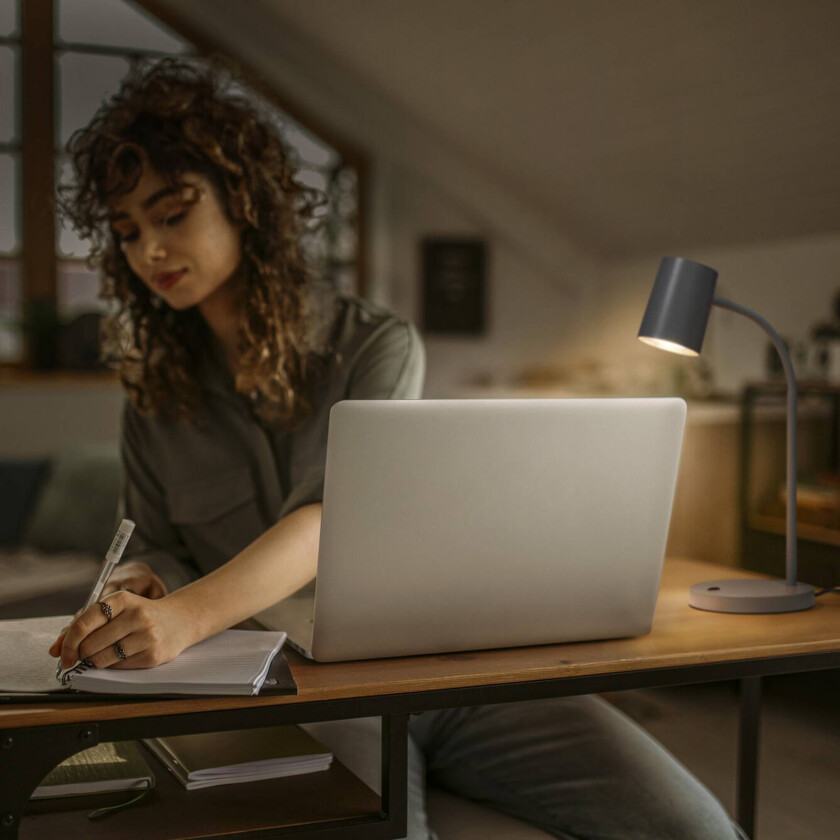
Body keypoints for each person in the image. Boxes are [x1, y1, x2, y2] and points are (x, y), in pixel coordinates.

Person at [49, 59, 744, 840]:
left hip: (446, 667)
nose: (150, 250)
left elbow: (326, 519)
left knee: (700, 831)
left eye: (172, 214)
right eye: (129, 231)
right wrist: (145, 586)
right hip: (293, 686)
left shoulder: (372, 345)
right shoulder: (153, 394)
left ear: (243, 200)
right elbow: (158, 546)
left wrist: (180, 618)